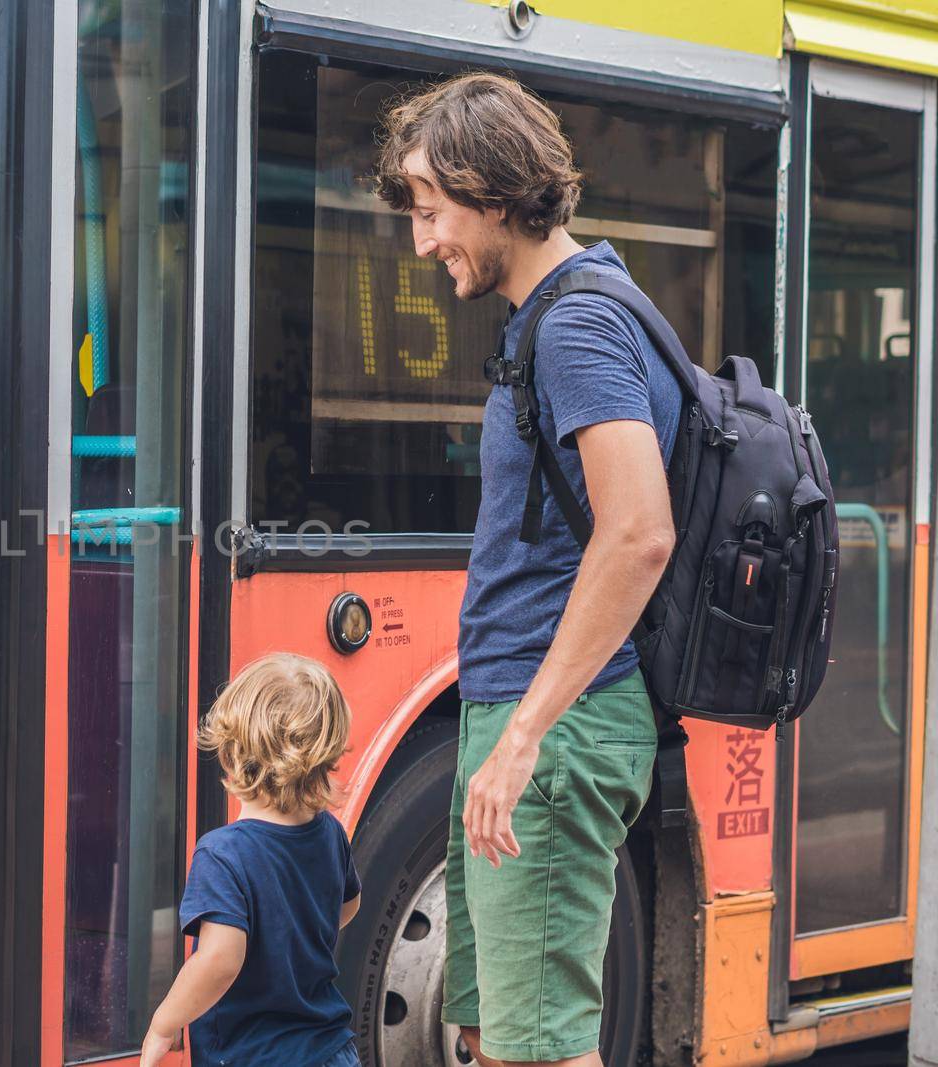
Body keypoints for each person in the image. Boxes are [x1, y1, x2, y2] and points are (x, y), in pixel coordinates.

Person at [372, 72, 681, 1067]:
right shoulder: (547, 314)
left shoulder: (578, 325)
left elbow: (637, 532)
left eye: (432, 209)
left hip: (552, 734)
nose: (423, 240)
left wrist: (525, 736)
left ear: (494, 190)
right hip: (519, 720)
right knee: (496, 1036)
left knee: (541, 1050)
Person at [139, 653, 363, 1067]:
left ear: (232, 752)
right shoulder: (329, 832)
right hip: (333, 1051)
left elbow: (221, 960)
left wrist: (164, 1023)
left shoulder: (223, 854)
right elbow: (347, 906)